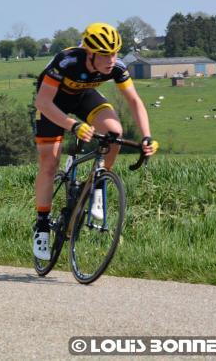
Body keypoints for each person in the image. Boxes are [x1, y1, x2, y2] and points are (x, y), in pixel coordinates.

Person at [33, 22, 159, 260]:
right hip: (52, 104)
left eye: (114, 53)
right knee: (49, 165)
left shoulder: (116, 67)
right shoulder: (67, 61)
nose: (111, 59)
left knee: (114, 132)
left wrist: (146, 136)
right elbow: (43, 103)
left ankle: (98, 183)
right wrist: (73, 125)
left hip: (82, 97)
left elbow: (134, 101)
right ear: (90, 53)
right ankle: (41, 226)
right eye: (105, 55)